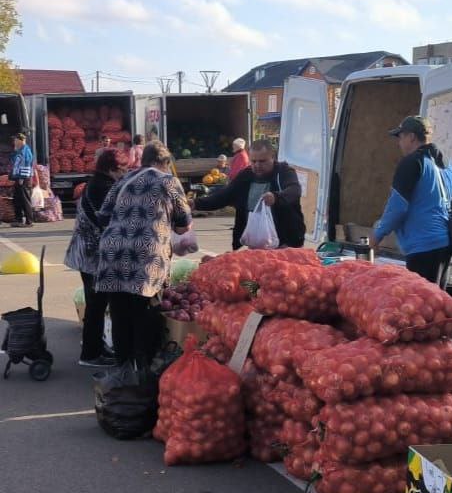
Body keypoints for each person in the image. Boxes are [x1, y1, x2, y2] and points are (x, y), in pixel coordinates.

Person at [95, 141, 192, 366]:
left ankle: (123, 367)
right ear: (164, 163)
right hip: (146, 255)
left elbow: (102, 218)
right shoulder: (168, 181)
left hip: (113, 254)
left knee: (120, 311)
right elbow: (183, 223)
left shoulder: (123, 180)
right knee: (145, 311)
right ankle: (143, 367)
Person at [372, 116, 452, 287]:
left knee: (421, 305)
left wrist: (377, 235)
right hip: (445, 245)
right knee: (437, 304)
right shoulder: (447, 166)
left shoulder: (412, 163)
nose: (399, 143)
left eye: (401, 137)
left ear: (411, 137)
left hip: (422, 248)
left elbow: (397, 208)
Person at [65, 148, 127, 367]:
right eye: (122, 169)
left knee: (96, 304)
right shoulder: (103, 187)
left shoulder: (97, 182)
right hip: (92, 255)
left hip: (87, 253)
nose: (124, 173)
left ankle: (95, 348)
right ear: (111, 169)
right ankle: (91, 354)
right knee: (96, 304)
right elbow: (109, 220)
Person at [194, 138, 305, 249]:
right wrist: (195, 204)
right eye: (253, 161)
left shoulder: (284, 172)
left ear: (273, 157)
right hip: (254, 243)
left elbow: (294, 190)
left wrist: (277, 197)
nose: (257, 165)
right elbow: (224, 196)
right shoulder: (245, 175)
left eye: (262, 161)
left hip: (285, 243)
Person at [9, 132, 35, 227]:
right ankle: (18, 219)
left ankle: (29, 221)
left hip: (22, 178)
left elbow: (26, 164)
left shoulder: (25, 151)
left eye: (15, 140)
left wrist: (22, 178)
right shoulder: (19, 150)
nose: (14, 142)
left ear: (21, 140)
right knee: (17, 199)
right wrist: (15, 151)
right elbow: (13, 160)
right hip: (18, 178)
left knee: (24, 199)